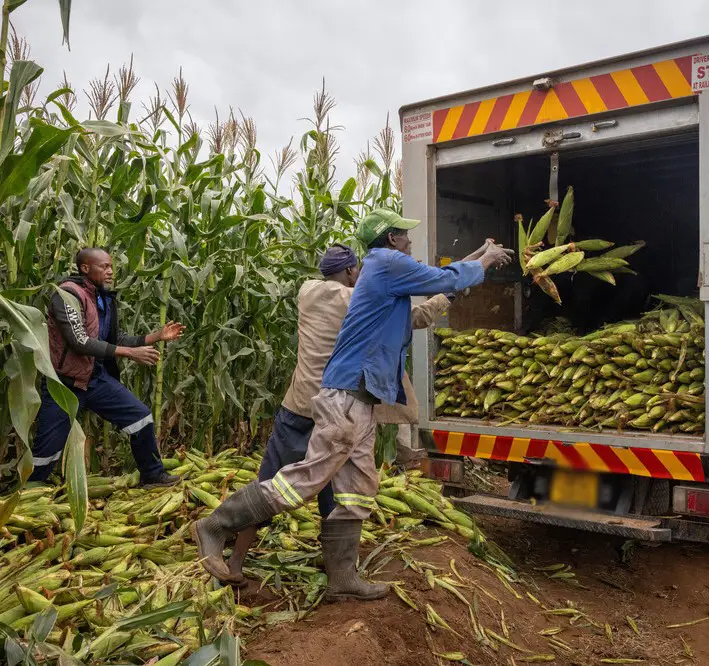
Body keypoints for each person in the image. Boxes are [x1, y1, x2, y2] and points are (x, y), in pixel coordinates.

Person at [192, 208, 512, 601]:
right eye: (405, 235)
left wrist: (476, 255)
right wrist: (483, 263)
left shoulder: (382, 271)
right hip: (345, 396)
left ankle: (342, 579)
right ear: (391, 239)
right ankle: (216, 525)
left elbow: (435, 279)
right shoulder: (386, 263)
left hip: (363, 399)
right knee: (305, 481)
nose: (410, 242)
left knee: (358, 488)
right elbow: (439, 282)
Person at [225, 242, 477, 584]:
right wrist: (450, 291)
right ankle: (338, 573)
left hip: (297, 407)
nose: (362, 275)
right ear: (348, 272)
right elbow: (415, 318)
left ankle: (236, 563)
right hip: (337, 408)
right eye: (358, 270)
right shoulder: (356, 301)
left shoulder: (307, 292)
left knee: (271, 481)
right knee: (339, 494)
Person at [32, 248, 184, 486]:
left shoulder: (102, 298)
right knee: (47, 450)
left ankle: (152, 475)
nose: (111, 271)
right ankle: (30, 489)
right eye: (104, 267)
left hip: (94, 379)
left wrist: (156, 336)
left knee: (140, 417)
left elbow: (113, 338)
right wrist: (130, 353)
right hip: (64, 384)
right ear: (85, 268)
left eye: (111, 266)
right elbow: (79, 341)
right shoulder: (67, 295)